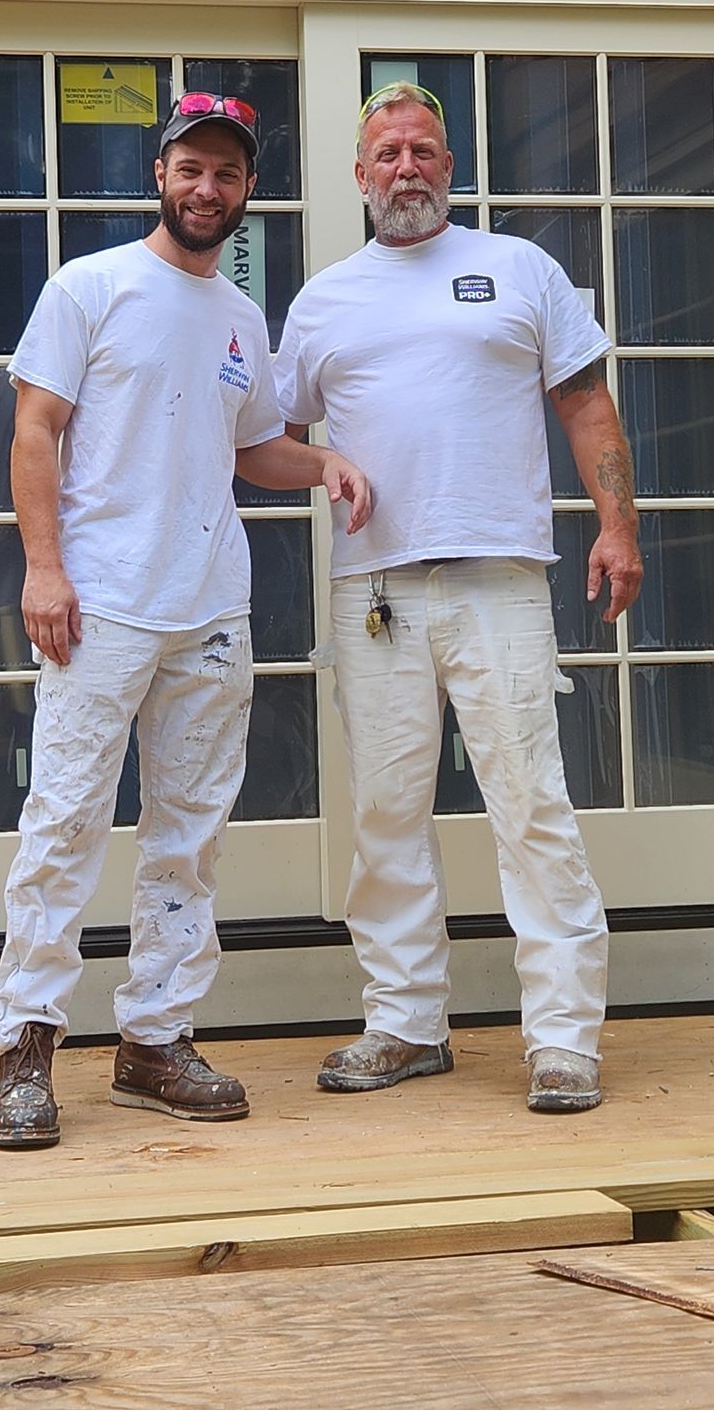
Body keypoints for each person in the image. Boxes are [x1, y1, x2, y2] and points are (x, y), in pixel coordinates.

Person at [0, 91, 372, 1150]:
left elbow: (253, 450)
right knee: (63, 823)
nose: (209, 189)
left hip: (210, 605)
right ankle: (25, 1048)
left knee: (188, 837)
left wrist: (326, 459)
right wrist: (43, 569)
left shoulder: (243, 318)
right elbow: (35, 430)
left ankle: (155, 1040)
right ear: (160, 174)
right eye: (192, 169)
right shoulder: (91, 287)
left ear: (248, 191)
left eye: (230, 175)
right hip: (99, 602)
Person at [275, 80, 642, 1115]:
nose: (406, 168)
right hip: (375, 588)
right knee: (387, 812)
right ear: (358, 178)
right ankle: (404, 1024)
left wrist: (619, 527)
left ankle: (562, 1039)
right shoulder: (324, 299)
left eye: (423, 151)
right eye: (387, 153)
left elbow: (585, 401)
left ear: (450, 165)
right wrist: (321, 464)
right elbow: (271, 432)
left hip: (500, 580)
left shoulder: (517, 269)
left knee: (530, 805)